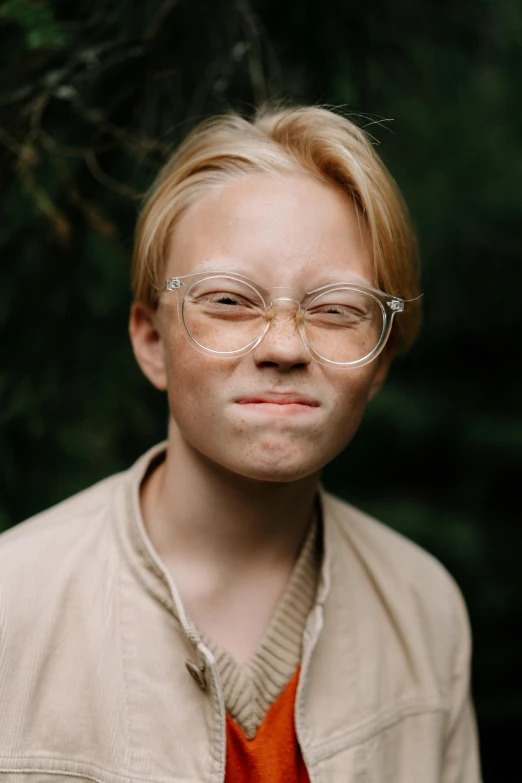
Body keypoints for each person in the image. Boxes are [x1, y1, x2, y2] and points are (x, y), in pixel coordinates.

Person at [0, 105, 481, 782]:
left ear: (380, 361)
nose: (284, 346)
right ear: (151, 341)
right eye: (228, 300)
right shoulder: (11, 607)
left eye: (337, 308)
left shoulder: (424, 609)